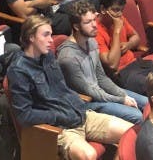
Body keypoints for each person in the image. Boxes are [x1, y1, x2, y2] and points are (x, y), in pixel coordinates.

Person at [8, 15, 133, 160]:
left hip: (79, 113)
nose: (51, 40)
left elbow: (62, 89)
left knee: (131, 133)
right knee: (88, 155)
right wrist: (58, 116)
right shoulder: (19, 71)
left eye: (51, 34)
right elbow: (24, 115)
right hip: (59, 128)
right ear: (31, 37)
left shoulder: (48, 56)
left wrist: (77, 104)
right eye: (46, 35)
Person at [57, 0, 148, 124]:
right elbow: (89, 92)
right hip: (87, 103)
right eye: (88, 22)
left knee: (148, 103)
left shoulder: (91, 42)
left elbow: (101, 77)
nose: (94, 25)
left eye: (94, 19)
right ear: (76, 26)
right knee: (136, 115)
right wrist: (121, 100)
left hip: (101, 93)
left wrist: (122, 95)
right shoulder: (68, 58)